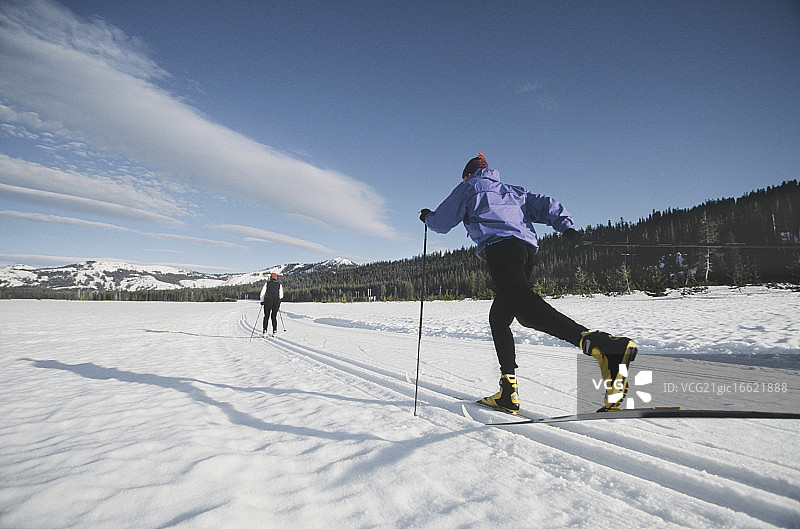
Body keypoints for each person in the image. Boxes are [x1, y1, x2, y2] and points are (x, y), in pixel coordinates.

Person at [420, 153, 637, 413]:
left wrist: (427, 217)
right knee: (500, 318)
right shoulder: (514, 191)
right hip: (526, 253)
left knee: (525, 309)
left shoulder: (469, 187)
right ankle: (507, 391)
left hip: (500, 250)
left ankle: (604, 346)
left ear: (468, 174)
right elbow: (547, 204)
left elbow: (442, 223)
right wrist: (566, 228)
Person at [259, 272, 284, 337]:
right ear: (276, 278)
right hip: (276, 302)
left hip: (268, 302)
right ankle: (274, 332)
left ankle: (265, 331)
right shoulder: (279, 285)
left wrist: (262, 301)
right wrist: (279, 301)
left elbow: (262, 293)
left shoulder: (267, 284)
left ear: (271, 278)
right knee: (274, 317)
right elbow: (281, 295)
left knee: (266, 316)